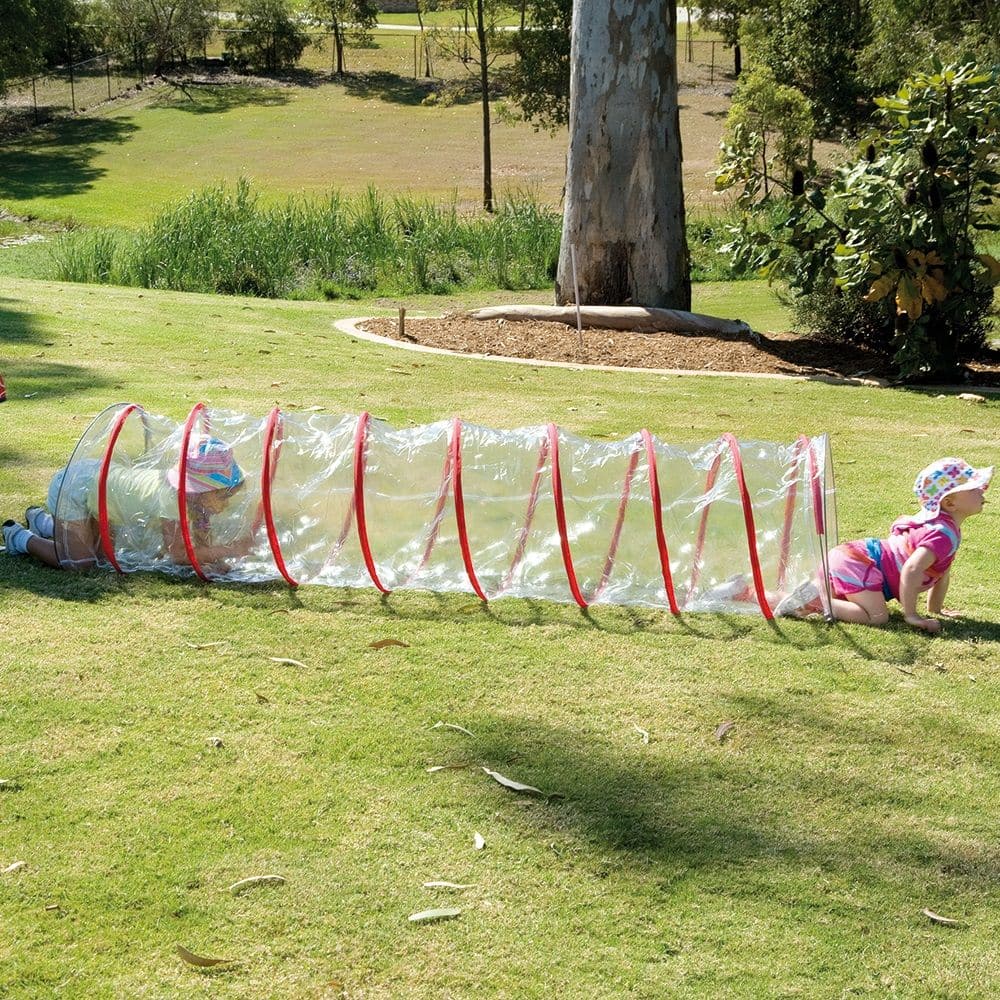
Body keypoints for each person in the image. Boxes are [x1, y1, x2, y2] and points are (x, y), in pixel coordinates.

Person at [775, 457, 992, 631]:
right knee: (876, 617)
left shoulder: (943, 528)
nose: (982, 490)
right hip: (860, 564)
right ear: (950, 503)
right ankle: (818, 601)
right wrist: (911, 615)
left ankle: (746, 592)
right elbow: (912, 569)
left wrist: (936, 610)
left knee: (808, 603)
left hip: (853, 559)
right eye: (974, 488)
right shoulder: (941, 535)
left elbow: (941, 572)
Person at [2, 435, 255, 574]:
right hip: (75, 487)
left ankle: (46, 523)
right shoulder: (171, 498)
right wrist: (229, 550)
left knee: (102, 556)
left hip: (98, 489)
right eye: (222, 496)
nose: (225, 504)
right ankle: (19, 538)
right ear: (200, 489)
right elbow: (178, 554)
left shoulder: (192, 500)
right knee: (80, 562)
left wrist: (216, 562)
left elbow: (198, 541)